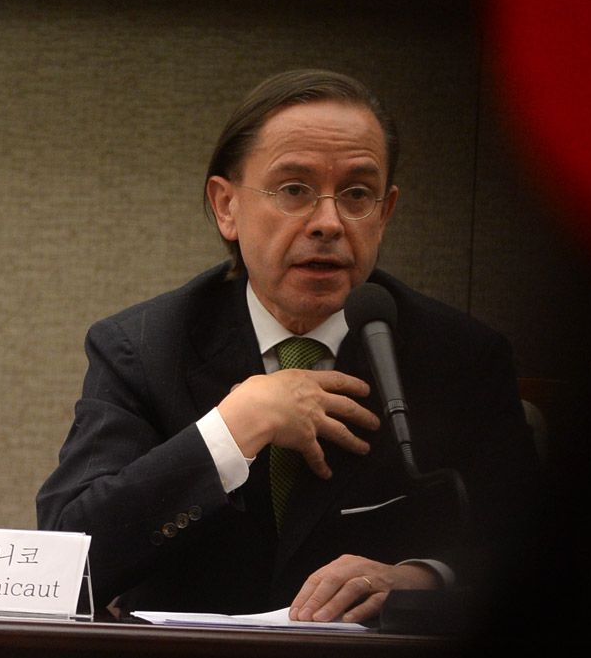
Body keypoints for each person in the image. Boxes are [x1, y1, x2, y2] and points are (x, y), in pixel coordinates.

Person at [36, 69, 539, 626]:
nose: (328, 223)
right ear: (226, 206)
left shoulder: (460, 357)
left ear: (385, 212)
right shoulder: (143, 348)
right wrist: (232, 428)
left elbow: (532, 557)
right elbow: (67, 563)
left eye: (357, 194)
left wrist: (422, 578)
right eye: (294, 189)